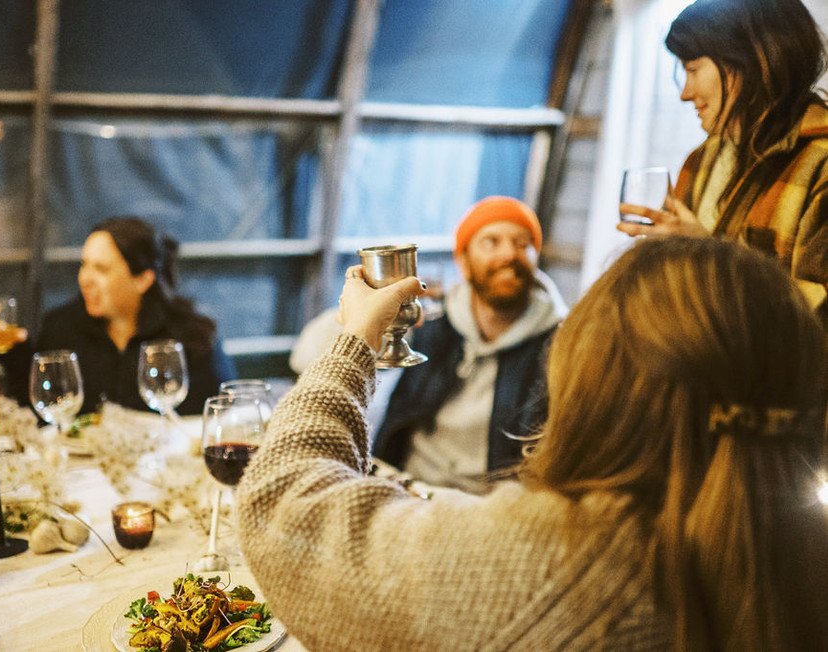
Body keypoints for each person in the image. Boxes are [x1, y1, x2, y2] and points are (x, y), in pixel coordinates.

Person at [236, 236, 828, 651]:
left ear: (602, 377)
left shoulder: (569, 562)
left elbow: (283, 503)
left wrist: (354, 341)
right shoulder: (801, 553)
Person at [618, 0, 828, 314]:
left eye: (692, 70)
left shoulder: (820, 164)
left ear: (757, 59)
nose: (684, 93)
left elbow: (816, 317)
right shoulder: (702, 160)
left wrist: (709, 253)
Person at [372, 196, 567, 492]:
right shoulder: (431, 318)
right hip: (407, 487)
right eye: (492, 242)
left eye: (522, 243)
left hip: (489, 507)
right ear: (462, 260)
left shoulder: (563, 342)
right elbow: (309, 353)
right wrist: (373, 310)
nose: (509, 254)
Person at [33, 216, 235, 416]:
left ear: (142, 280)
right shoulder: (60, 329)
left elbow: (220, 416)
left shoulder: (195, 337)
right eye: (84, 264)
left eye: (101, 269)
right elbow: (37, 408)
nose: (85, 278)